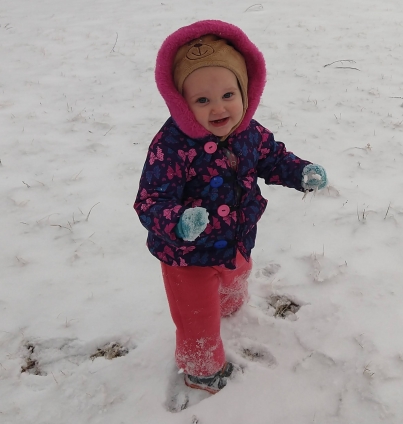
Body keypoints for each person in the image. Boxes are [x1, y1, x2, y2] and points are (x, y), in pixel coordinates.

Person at [133, 20, 327, 394]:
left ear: (245, 90)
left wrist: (300, 172)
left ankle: (231, 306)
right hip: (186, 255)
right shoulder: (171, 145)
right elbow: (150, 200)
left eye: (227, 95)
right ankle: (201, 369)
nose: (218, 108)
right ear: (182, 103)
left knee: (238, 274)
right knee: (197, 318)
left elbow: (273, 158)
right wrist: (178, 222)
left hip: (236, 236)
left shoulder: (249, 133)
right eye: (202, 100)